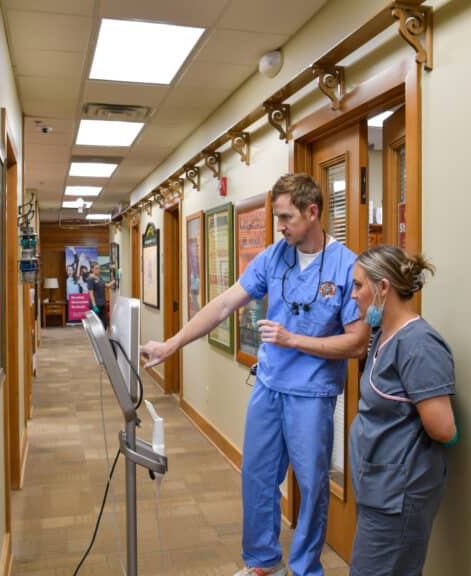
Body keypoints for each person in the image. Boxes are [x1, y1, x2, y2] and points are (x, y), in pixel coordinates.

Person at [140, 173, 368, 576]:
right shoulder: (274, 256)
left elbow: (356, 343)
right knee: (258, 477)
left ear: (313, 212)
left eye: (286, 218)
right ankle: (263, 563)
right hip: (268, 386)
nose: (280, 227)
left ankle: (305, 569)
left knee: (313, 487)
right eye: (277, 217)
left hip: (311, 395)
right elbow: (225, 304)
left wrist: (293, 340)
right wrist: (171, 344)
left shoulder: (346, 266)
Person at [348, 245, 457, 576]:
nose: (352, 296)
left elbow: (443, 428)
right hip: (378, 489)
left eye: (358, 285)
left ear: (383, 288)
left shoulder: (418, 345)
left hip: (397, 495)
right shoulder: (383, 335)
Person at [87, 262, 114, 328]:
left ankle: (102, 338)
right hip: (96, 305)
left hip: (102, 304)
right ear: (92, 269)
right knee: (96, 325)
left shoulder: (100, 278)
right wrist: (94, 305)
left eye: (99, 268)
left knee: (104, 325)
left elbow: (108, 285)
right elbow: (91, 293)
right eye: (96, 268)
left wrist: (115, 278)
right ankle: (96, 338)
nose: (98, 270)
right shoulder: (90, 279)